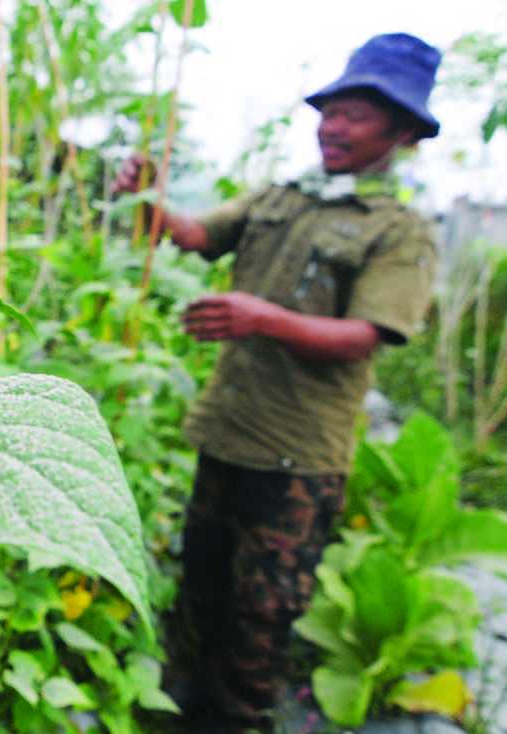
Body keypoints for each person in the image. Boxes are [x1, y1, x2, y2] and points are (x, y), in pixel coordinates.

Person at [112, 33, 441, 733]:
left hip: (297, 458)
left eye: (357, 115)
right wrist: (145, 198)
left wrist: (260, 317)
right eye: (330, 111)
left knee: (260, 613)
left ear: (403, 131)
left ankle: (238, 722)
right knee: (198, 589)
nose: (334, 125)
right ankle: (174, 714)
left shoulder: (400, 230)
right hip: (227, 434)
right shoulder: (283, 196)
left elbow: (364, 335)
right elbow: (195, 236)